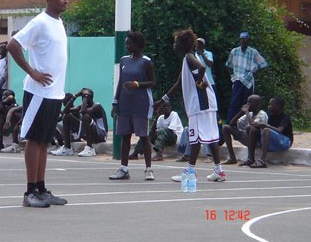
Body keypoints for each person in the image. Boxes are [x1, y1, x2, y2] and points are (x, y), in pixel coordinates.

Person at [7, 0, 69, 208]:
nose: (66, 0)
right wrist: (32, 72)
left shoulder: (58, 23)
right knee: (34, 139)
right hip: (39, 92)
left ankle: (41, 189)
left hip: (54, 93)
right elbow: (13, 45)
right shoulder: (39, 22)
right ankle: (30, 192)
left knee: (44, 140)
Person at [155, 28, 226, 183]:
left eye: (175, 42)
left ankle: (190, 173)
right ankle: (219, 172)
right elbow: (179, 83)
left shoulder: (188, 57)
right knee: (212, 138)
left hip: (199, 104)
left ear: (182, 44)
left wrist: (199, 82)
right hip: (208, 103)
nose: (174, 44)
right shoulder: (187, 59)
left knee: (195, 139)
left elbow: (201, 68)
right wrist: (162, 100)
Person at [109, 31, 156, 181]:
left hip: (141, 104)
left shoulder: (146, 62)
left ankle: (148, 169)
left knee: (143, 136)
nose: (127, 46)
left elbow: (153, 82)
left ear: (137, 44)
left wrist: (137, 84)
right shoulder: (124, 61)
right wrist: (115, 102)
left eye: (129, 43)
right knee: (125, 136)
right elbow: (120, 82)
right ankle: (124, 169)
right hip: (125, 104)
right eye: (126, 43)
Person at [51, 88, 108, 157]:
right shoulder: (82, 106)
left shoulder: (97, 106)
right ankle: (67, 148)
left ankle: (90, 148)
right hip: (90, 134)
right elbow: (65, 111)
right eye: (82, 97)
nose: (82, 99)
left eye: (84, 97)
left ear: (89, 97)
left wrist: (85, 96)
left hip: (100, 136)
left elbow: (83, 111)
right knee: (66, 116)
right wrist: (75, 96)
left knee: (85, 117)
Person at [225, 32, 268, 123]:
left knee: (248, 103)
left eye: (246, 39)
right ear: (239, 40)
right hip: (237, 79)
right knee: (234, 103)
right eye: (242, 39)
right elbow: (228, 65)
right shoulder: (234, 51)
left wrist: (254, 72)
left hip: (248, 82)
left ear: (249, 41)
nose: (244, 41)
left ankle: (246, 122)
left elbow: (263, 64)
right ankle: (231, 122)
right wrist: (232, 77)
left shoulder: (253, 52)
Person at [245, 97, 293, 168]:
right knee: (251, 128)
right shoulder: (269, 115)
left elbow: (279, 130)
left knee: (266, 130)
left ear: (279, 106)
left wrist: (265, 125)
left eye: (271, 104)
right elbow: (253, 123)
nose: (269, 106)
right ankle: (251, 158)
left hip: (284, 142)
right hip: (273, 142)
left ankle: (262, 160)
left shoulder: (285, 117)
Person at [221, 94, 268, 165]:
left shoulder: (262, 114)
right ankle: (232, 157)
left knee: (250, 128)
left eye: (250, 102)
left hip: (257, 140)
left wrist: (246, 112)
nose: (248, 104)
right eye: (247, 102)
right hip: (247, 137)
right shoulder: (250, 114)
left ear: (257, 104)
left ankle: (250, 159)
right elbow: (232, 123)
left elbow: (253, 124)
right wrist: (241, 112)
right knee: (226, 128)